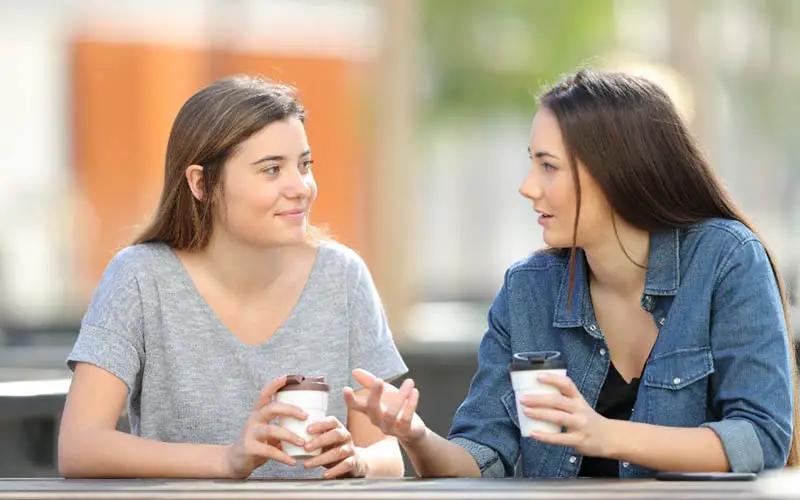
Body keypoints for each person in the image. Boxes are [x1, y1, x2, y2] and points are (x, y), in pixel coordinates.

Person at [345, 68, 799, 478]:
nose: (527, 186)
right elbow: (482, 457)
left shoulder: (726, 259)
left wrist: (604, 434)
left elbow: (762, 437)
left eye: (548, 166)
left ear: (616, 172)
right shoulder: (528, 289)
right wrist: (416, 435)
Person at [58, 75, 408, 480]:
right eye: (272, 169)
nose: (301, 187)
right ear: (201, 183)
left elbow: (387, 452)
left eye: (304, 165)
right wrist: (227, 460)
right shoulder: (140, 277)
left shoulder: (344, 277)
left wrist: (359, 461)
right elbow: (80, 445)